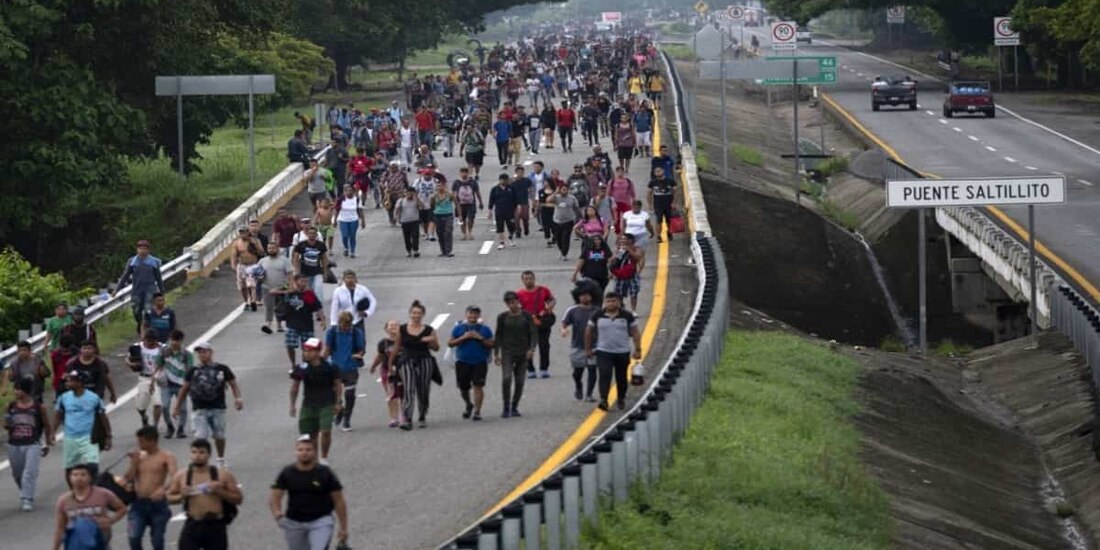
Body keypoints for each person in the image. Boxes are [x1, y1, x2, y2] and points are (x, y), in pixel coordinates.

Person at [269, 437, 349, 550]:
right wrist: (277, 513)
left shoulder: (325, 473)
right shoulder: (287, 472)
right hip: (294, 522)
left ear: (314, 452)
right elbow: (275, 495)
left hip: (321, 520)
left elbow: (338, 500)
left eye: (308, 450)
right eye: (300, 450)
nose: (304, 453)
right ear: (295, 452)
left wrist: (343, 528)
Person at [173, 342, 243, 468]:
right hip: (199, 409)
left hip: (218, 407)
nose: (202, 354)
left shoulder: (222, 368)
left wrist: (238, 398)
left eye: (204, 351)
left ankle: (220, 458)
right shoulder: (193, 370)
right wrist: (177, 406)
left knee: (219, 435)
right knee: (200, 437)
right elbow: (184, 388)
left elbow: (233, 383)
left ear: (211, 352)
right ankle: (200, 461)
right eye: (199, 352)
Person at [167, 438, 243, 550]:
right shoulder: (182, 475)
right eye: (194, 452)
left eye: (202, 452)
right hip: (193, 523)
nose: (197, 455)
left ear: (209, 455)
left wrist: (220, 491)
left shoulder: (222, 475)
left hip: (215, 525)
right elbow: (168, 498)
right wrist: (182, 496)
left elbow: (238, 499)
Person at [585, 292, 643, 411]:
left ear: (619, 302)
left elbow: (635, 332)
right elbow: (589, 332)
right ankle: (604, 400)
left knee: (621, 377)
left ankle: (621, 398)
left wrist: (638, 349)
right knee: (604, 375)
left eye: (614, 301)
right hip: (603, 351)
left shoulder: (627, 316)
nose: (611, 303)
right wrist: (588, 349)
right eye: (608, 301)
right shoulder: (597, 315)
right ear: (604, 302)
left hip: (622, 352)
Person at [388, 300, 440, 430]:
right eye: (414, 313)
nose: (416, 315)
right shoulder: (403, 329)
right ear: (410, 314)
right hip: (406, 361)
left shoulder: (429, 330)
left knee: (423, 389)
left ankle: (422, 415)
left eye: (419, 313)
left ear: (423, 315)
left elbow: (436, 348)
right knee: (409, 389)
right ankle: (407, 418)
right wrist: (390, 364)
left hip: (424, 360)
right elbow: (396, 346)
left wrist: (430, 341)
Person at [123, 426, 177, 550]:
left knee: (157, 540)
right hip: (138, 504)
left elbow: (174, 476)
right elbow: (128, 478)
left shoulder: (166, 456)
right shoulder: (139, 457)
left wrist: (163, 489)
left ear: (152, 441)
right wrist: (134, 463)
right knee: (134, 538)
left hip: (157, 504)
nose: (139, 444)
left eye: (141, 441)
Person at [290, 339, 343, 462]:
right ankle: (314, 459)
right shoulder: (301, 368)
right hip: (308, 404)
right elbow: (295, 387)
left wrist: (338, 402)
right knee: (310, 436)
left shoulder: (330, 366)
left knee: (325, 431)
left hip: (327, 403)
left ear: (318, 352)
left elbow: (338, 385)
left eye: (309, 351)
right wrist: (292, 405)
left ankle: (324, 457)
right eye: (305, 351)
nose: (306, 353)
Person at [5, 378, 54, 511]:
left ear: (26, 391)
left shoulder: (38, 407)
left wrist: (48, 440)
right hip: (14, 443)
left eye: (18, 389)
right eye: (15, 389)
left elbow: (47, 425)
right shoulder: (11, 406)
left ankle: (27, 498)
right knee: (17, 474)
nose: (15, 392)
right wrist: (7, 422)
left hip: (32, 443)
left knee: (29, 472)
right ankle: (24, 490)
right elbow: (6, 425)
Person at [52, 464, 127, 550]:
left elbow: (122, 509)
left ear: (90, 478)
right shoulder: (64, 500)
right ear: (70, 478)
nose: (79, 478)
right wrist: (55, 548)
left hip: (99, 540)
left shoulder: (103, 494)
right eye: (75, 475)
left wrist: (111, 520)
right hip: (76, 542)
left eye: (83, 474)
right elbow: (60, 528)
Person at [56, 370, 111, 480]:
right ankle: (74, 492)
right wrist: (53, 432)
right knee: (70, 468)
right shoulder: (63, 398)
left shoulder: (94, 398)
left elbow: (103, 417)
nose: (67, 383)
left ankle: (93, 489)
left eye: (71, 380)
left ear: (80, 383)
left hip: (89, 437)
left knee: (92, 466)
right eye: (67, 380)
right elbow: (58, 415)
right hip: (70, 438)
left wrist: (108, 436)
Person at [494, 292, 537, 418]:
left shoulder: (526, 316)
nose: (512, 305)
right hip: (507, 352)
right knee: (506, 378)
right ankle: (506, 407)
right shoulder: (502, 317)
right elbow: (498, 335)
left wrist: (532, 349)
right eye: (509, 303)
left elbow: (533, 333)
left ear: (518, 301)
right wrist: (496, 353)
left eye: (513, 302)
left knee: (519, 381)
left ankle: (514, 406)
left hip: (523, 352)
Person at [448, 306, 494, 421]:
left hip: (480, 362)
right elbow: (450, 343)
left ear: (479, 316)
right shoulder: (458, 328)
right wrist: (464, 337)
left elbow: (492, 344)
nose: (473, 316)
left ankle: (477, 412)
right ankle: (469, 404)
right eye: (470, 313)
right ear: (466, 314)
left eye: (475, 314)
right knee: (463, 388)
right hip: (462, 362)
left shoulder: (485, 329)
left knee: (478, 386)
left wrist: (480, 338)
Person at [275, 273, 326, 372]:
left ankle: (305, 365)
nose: (303, 284)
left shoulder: (308, 294)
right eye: (301, 281)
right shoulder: (289, 293)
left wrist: (322, 320)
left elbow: (318, 307)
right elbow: (272, 292)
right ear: (295, 281)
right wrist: (287, 291)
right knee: (290, 345)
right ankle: (293, 364)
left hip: (306, 325)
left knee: (307, 348)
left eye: (305, 282)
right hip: (292, 324)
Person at [324, 313, 366, 432]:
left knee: (350, 394)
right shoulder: (332, 332)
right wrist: (321, 363)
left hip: (350, 367)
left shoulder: (356, 332)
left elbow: (361, 349)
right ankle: (340, 408)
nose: (345, 328)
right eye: (343, 325)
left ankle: (347, 419)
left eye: (348, 325)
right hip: (335, 366)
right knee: (333, 393)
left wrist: (359, 355)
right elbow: (327, 349)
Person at [115, 239, 165, 336]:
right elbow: (125, 276)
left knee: (148, 310)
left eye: (144, 249)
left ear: (148, 250)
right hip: (137, 290)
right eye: (140, 248)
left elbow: (158, 278)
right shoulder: (132, 261)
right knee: (136, 310)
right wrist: (117, 289)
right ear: (137, 249)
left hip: (150, 290)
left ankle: (147, 331)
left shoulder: (154, 262)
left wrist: (161, 291)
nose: (142, 251)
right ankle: (139, 324)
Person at [516, 271, 556, 379]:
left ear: (534, 278)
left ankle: (544, 369)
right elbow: (517, 309)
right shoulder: (519, 294)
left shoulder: (543, 290)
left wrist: (549, 307)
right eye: (526, 278)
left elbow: (552, 300)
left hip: (542, 322)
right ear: (522, 280)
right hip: (527, 324)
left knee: (544, 345)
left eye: (530, 278)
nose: (528, 280)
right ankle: (530, 370)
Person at [561, 286, 598, 402]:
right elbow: (564, 323)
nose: (585, 297)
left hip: (594, 346)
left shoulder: (597, 311)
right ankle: (578, 386)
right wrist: (564, 330)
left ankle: (589, 394)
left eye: (587, 295)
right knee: (577, 372)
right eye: (582, 295)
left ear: (591, 296)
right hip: (577, 345)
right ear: (578, 297)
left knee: (592, 369)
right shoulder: (572, 310)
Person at [154, 330, 192, 439]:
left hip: (181, 385)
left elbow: (189, 370)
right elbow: (157, 365)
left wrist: (189, 384)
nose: (174, 343)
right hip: (166, 384)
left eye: (176, 340)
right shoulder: (163, 352)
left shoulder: (186, 354)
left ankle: (181, 428)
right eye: (172, 340)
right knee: (164, 406)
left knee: (183, 408)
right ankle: (170, 426)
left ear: (181, 341)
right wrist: (153, 378)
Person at [127, 329, 165, 431]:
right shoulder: (137, 348)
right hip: (144, 378)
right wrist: (131, 364)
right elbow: (128, 359)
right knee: (141, 406)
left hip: (158, 379)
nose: (150, 343)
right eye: (148, 341)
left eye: (153, 341)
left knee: (158, 404)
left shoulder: (163, 348)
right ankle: (144, 417)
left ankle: (155, 426)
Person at [369, 320, 402, 427]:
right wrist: (373, 367)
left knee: (403, 393)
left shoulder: (404, 340)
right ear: (386, 329)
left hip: (402, 370)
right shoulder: (383, 343)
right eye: (390, 325)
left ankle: (404, 415)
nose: (393, 327)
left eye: (396, 325)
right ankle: (393, 418)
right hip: (387, 371)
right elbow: (380, 356)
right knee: (391, 394)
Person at [259, 241, 294, 335]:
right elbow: (258, 274)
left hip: (281, 288)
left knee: (280, 307)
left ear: (278, 249)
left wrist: (291, 286)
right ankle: (268, 324)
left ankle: (279, 325)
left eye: (273, 248)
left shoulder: (285, 260)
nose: (271, 250)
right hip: (267, 287)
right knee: (268, 306)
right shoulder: (262, 261)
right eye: (269, 248)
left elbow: (290, 274)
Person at [292, 227, 330, 302]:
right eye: (310, 233)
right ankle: (310, 305)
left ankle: (319, 306)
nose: (311, 235)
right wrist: (297, 271)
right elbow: (296, 258)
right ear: (307, 235)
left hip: (317, 271)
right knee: (308, 290)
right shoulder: (301, 245)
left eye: (313, 233)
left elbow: (324, 259)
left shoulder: (321, 245)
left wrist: (325, 272)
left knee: (318, 289)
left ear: (316, 235)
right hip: (305, 272)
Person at [612, 233, 646, 312]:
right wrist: (619, 252)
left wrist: (628, 250)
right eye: (621, 239)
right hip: (620, 275)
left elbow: (638, 257)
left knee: (634, 293)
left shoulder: (636, 248)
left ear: (630, 240)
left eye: (624, 239)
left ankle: (633, 310)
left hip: (632, 275)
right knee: (619, 293)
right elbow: (613, 261)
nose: (622, 241)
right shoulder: (619, 249)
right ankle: (621, 308)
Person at [550, 182, 580, 261]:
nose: (564, 191)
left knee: (565, 238)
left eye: (566, 189)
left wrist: (579, 218)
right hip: (557, 221)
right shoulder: (557, 197)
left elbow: (576, 208)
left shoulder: (572, 198)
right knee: (558, 238)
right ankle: (562, 251)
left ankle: (564, 253)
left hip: (568, 221)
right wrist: (555, 192)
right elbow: (548, 200)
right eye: (563, 189)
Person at [647, 165, 678, 243]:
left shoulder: (670, 181)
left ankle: (669, 232)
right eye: (656, 171)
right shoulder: (652, 183)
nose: (658, 173)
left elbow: (675, 192)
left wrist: (674, 202)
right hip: (658, 205)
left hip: (668, 204)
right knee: (658, 220)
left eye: (659, 171)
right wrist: (650, 204)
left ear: (663, 171)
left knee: (668, 220)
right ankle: (658, 236)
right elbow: (649, 193)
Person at [452, 167, 483, 240]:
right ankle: (464, 233)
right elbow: (453, 193)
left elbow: (477, 192)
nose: (464, 174)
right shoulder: (456, 182)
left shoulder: (473, 182)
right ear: (460, 173)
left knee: (471, 218)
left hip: (471, 203)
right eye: (462, 172)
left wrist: (480, 202)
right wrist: (454, 202)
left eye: (465, 172)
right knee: (461, 219)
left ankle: (470, 232)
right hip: (460, 204)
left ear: (468, 173)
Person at [488, 174, 517, 250]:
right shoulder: (495, 189)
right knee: (500, 226)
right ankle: (501, 242)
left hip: (510, 211)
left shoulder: (512, 188)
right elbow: (491, 200)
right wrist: (490, 211)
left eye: (505, 180)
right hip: (499, 211)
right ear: (499, 180)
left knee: (511, 226)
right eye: (502, 179)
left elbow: (516, 200)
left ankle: (511, 237)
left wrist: (516, 209)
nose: (504, 181)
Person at [431, 178, 457, 257]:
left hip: (448, 214)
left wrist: (459, 215)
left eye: (441, 186)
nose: (440, 187)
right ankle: (443, 250)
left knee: (448, 232)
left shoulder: (449, 194)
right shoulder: (434, 196)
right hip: (438, 215)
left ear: (444, 186)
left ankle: (449, 251)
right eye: (438, 186)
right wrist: (434, 213)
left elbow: (457, 204)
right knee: (440, 233)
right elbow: (432, 205)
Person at [395, 186, 423, 258]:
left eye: (411, 193)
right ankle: (408, 250)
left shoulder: (416, 200)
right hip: (405, 221)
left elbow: (421, 207)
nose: (409, 195)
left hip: (415, 220)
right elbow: (397, 211)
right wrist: (397, 219)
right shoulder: (401, 201)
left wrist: (417, 198)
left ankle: (415, 250)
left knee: (415, 236)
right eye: (407, 193)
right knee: (407, 237)